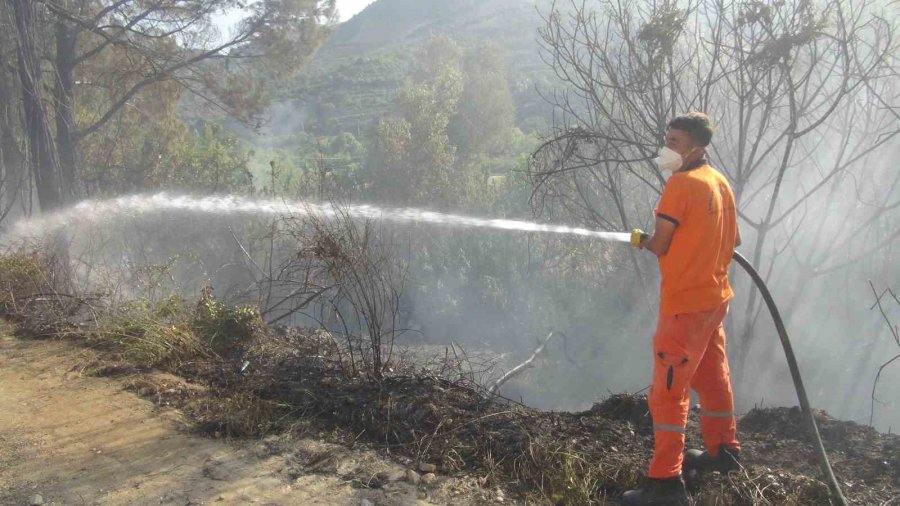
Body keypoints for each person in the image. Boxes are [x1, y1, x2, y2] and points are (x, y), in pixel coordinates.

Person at [622, 112, 742, 505]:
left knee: (668, 393)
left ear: (695, 146)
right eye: (667, 139)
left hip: (685, 305)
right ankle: (723, 453)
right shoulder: (719, 182)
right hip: (714, 299)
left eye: (674, 142)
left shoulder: (681, 184)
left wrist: (641, 239)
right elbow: (733, 241)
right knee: (713, 377)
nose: (666, 147)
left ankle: (665, 483)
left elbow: (660, 244)